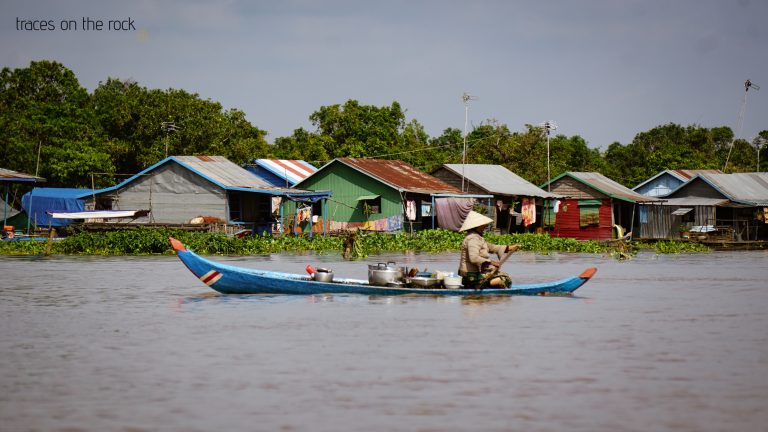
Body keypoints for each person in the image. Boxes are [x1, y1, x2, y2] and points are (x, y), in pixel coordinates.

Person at [458, 211, 521, 289]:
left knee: (501, 276)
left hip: (475, 273)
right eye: (483, 224)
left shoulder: (478, 238)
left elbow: (492, 247)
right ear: (478, 226)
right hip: (470, 275)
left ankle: (487, 285)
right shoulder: (473, 238)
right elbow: (473, 258)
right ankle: (486, 284)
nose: (485, 226)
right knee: (505, 279)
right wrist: (492, 263)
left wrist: (511, 248)